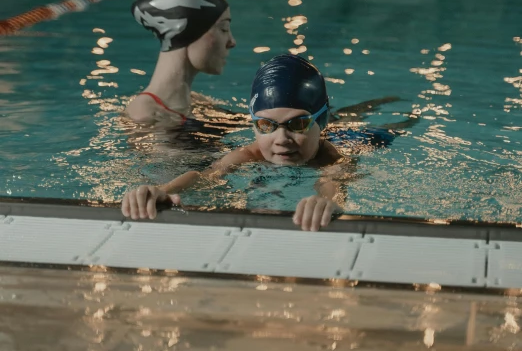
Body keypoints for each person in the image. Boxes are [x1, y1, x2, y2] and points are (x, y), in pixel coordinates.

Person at [121, 54, 410, 231]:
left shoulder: (331, 158)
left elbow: (334, 181)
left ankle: (381, 107)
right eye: (266, 125)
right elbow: (206, 176)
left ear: (321, 121)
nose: (281, 139)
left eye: (296, 124)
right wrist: (162, 190)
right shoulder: (252, 152)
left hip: (351, 138)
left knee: (392, 129)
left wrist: (327, 203)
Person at [124, 0, 236, 125]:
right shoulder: (146, 114)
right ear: (186, 32)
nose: (232, 42)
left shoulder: (197, 103)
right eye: (224, 28)